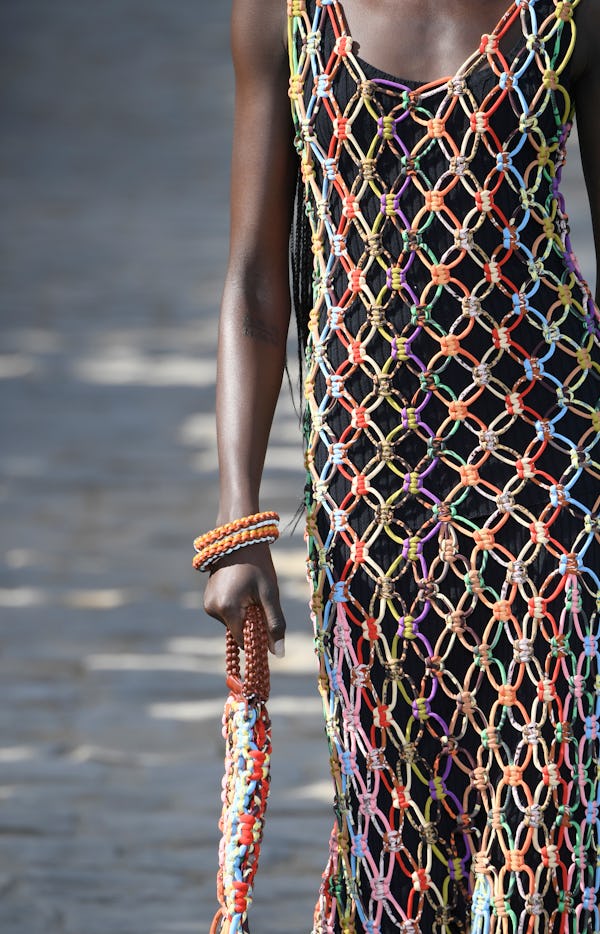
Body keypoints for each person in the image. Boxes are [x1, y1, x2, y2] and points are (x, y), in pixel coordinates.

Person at [202, 0, 600, 930]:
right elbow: (257, 279)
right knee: (399, 862)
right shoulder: (285, 14)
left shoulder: (569, 14)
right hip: (369, 511)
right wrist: (237, 521)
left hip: (553, 487)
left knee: (544, 852)